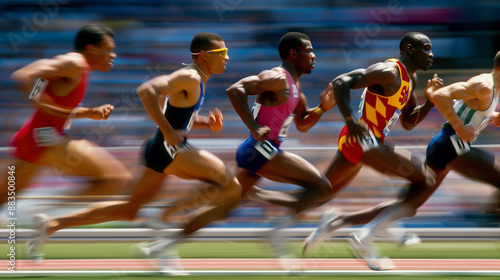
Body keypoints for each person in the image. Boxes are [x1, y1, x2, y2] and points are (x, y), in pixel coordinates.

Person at [25, 32, 241, 273]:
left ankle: (52, 224)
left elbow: (174, 111)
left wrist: (206, 124)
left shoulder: (196, 78)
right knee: (230, 184)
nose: (227, 57)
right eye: (221, 53)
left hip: (160, 147)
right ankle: (163, 219)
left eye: (226, 52)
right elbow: (146, 90)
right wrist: (167, 130)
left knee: (130, 211)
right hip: (170, 148)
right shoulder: (190, 75)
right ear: (202, 56)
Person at [302, 32, 443, 270]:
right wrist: (350, 120)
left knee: (320, 194)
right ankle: (367, 235)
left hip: (362, 142)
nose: (431, 55)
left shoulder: (411, 80)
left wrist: (430, 102)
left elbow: (408, 122)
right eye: (426, 48)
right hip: (364, 140)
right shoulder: (390, 72)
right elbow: (340, 83)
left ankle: (338, 222)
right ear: (409, 49)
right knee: (426, 181)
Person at [0, 23, 133, 256]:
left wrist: (85, 112)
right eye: (109, 49)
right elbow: (24, 76)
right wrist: (39, 102)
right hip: (44, 138)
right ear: (91, 49)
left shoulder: (78, 69)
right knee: (116, 178)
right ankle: (48, 217)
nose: (113, 55)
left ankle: (46, 216)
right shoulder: (74, 62)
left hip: (33, 139)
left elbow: (45, 87)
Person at [225, 32, 336, 258]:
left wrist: (322, 108)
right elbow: (235, 90)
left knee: (222, 202)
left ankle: (163, 237)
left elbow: (303, 124)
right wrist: (254, 128)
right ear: (293, 54)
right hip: (260, 148)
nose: (314, 56)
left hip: (263, 150)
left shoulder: (297, 89)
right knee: (321, 188)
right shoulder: (277, 77)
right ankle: (277, 228)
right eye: (309, 50)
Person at [425, 50, 500, 213]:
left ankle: (363, 229)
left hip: (449, 143)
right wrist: (460, 128)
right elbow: (440, 96)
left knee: (410, 204)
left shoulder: (495, 89)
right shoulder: (485, 85)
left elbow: (463, 106)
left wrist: (491, 117)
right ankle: (488, 222)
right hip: (451, 143)